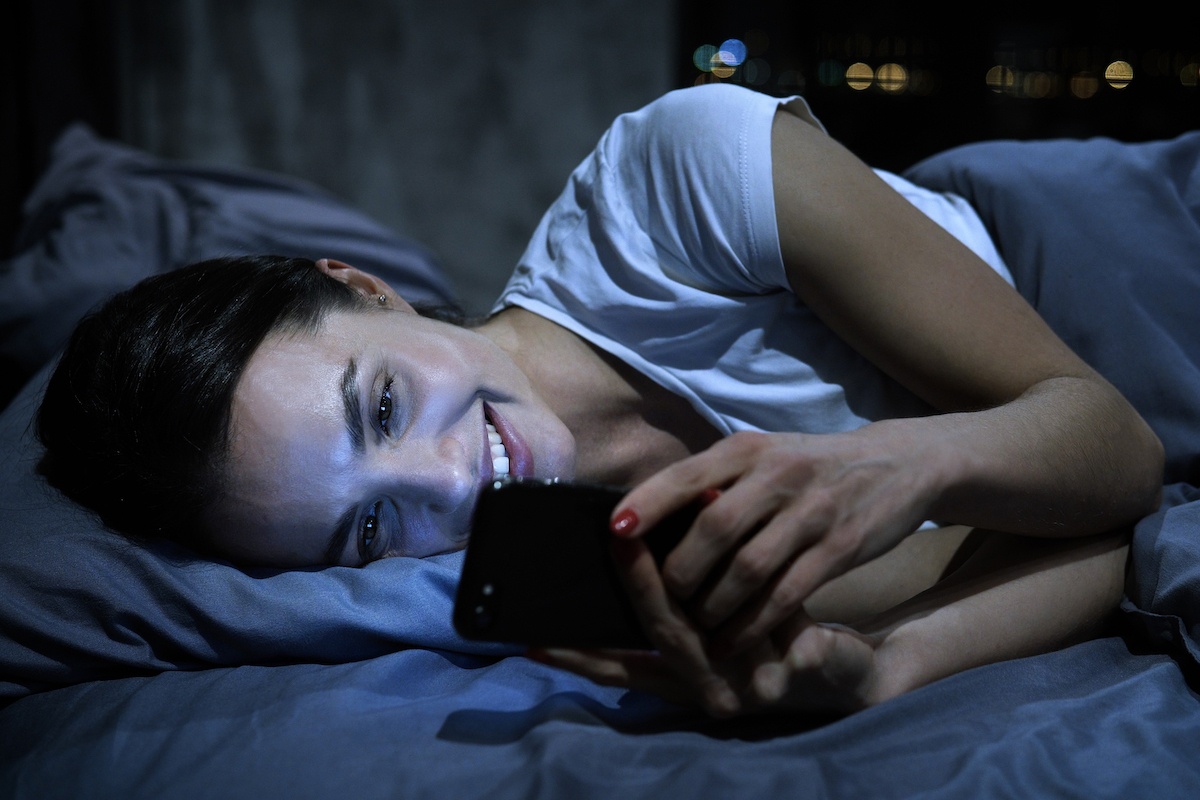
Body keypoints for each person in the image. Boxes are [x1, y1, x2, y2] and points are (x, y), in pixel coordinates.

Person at [36, 84, 1163, 717]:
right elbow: (1109, 539)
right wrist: (889, 670)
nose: (449, 483)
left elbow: (1115, 447)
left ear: (364, 285)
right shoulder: (612, 578)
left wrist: (906, 463)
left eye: (379, 404)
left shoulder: (679, 184)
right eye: (369, 524)